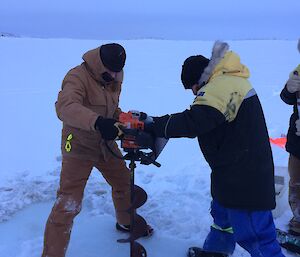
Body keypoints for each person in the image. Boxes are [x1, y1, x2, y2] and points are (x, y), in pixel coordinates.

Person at [144, 41, 285, 257]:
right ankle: (216, 252)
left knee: (256, 237)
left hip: (245, 178)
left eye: (192, 87)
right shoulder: (227, 81)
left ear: (198, 79)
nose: (194, 93)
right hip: (231, 171)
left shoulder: (221, 85)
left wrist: (158, 125)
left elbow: (196, 121)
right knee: (223, 219)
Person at [42, 43, 152, 257]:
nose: (114, 75)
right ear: (100, 63)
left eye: (117, 71)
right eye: (110, 70)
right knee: (68, 202)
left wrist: (124, 119)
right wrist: (98, 122)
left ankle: (125, 223)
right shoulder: (77, 76)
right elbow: (65, 107)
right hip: (79, 145)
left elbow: (110, 107)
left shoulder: (115, 75)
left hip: (105, 143)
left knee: (123, 183)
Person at [280, 63, 300, 235]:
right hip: (297, 142)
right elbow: (286, 98)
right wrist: (289, 88)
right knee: (296, 183)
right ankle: (298, 221)